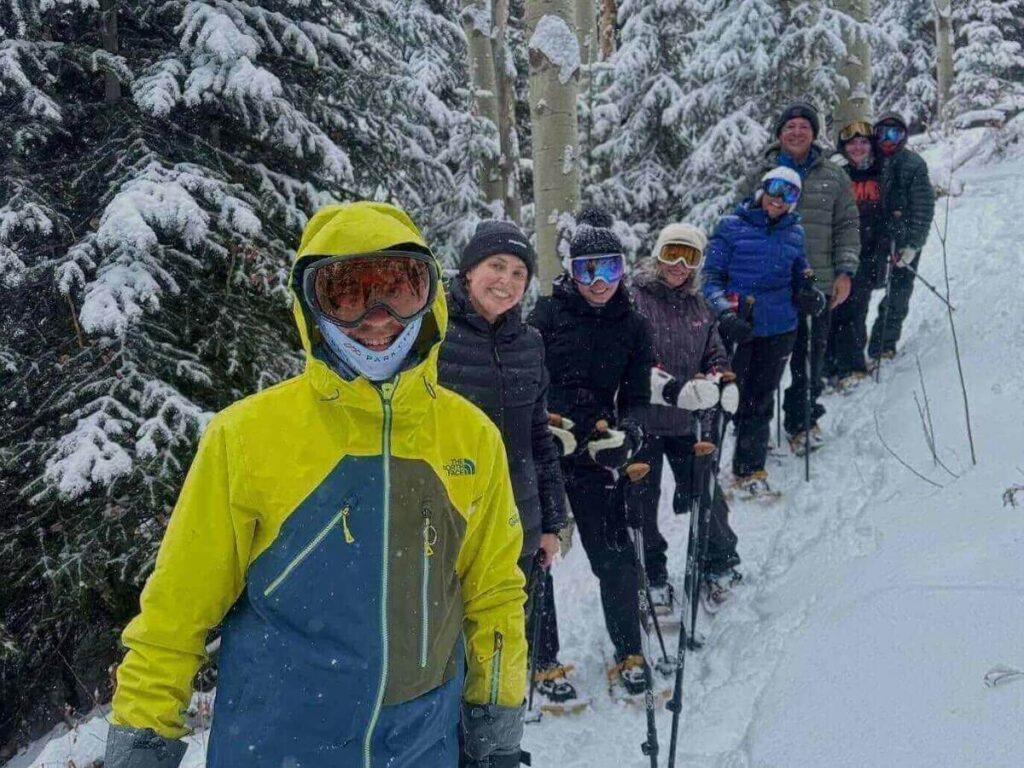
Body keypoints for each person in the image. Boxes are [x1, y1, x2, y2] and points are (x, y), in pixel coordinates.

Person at [103, 202, 528, 768]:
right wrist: (141, 742)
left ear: (430, 297)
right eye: (346, 294)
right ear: (312, 307)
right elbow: (176, 613)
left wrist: (495, 728)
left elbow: (494, 596)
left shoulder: (471, 437)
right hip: (278, 746)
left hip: (423, 747)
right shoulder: (247, 436)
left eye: (399, 290)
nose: (376, 318)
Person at [437, 221, 578, 711]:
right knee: (442, 651)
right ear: (470, 269)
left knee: (502, 649)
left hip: (517, 517)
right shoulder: (431, 332)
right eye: (496, 266)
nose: (507, 280)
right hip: (446, 517)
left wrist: (552, 522)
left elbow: (539, 438)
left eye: (519, 272)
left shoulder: (529, 343)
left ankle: (494, 745)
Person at [528, 207, 656, 696]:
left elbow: (638, 399)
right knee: (539, 554)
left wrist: (629, 435)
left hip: (598, 454)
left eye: (609, 268)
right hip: (545, 448)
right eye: (587, 269)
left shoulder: (634, 326)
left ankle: (628, 648)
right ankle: (543, 659)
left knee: (615, 555)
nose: (598, 281)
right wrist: (541, 424)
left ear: (622, 269)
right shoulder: (545, 315)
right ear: (570, 271)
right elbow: (523, 382)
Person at [630, 223, 740, 612]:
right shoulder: (635, 299)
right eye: (671, 253)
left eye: (688, 256)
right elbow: (632, 356)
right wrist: (667, 381)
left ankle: (719, 561)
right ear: (658, 255)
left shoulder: (699, 306)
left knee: (705, 493)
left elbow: (715, 352)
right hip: (643, 419)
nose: (678, 264)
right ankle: (653, 574)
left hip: (689, 421)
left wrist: (722, 378)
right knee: (642, 503)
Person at [745, 101, 860, 453]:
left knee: (809, 360)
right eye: (790, 126)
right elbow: (742, 224)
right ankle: (753, 432)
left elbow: (847, 224)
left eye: (804, 127)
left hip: (818, 284)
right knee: (762, 367)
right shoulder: (762, 172)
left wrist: (845, 272)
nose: (797, 132)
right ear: (780, 133)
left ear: (814, 133)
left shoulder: (834, 175)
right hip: (771, 288)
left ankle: (802, 420)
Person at [705, 168, 827, 497]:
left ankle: (748, 469)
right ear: (761, 190)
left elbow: (801, 272)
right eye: (775, 188)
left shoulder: (794, 233)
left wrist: (808, 294)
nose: (779, 198)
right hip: (738, 328)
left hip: (779, 328)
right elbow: (710, 279)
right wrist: (725, 314)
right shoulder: (731, 227)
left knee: (760, 397)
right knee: (724, 399)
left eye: (790, 194)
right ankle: (703, 470)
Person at [867, 112, 936, 364]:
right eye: (882, 133)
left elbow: (923, 207)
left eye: (894, 134)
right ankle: (845, 352)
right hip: (871, 237)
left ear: (904, 137)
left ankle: (883, 344)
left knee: (898, 291)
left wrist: (913, 245)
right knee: (859, 292)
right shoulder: (868, 161)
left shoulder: (913, 164)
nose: (887, 140)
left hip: (902, 237)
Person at [825, 119, 888, 386]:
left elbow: (888, 214)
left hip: (868, 253)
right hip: (833, 253)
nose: (859, 148)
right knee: (831, 310)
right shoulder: (833, 172)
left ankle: (851, 366)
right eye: (853, 143)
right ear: (844, 147)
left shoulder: (881, 172)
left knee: (856, 310)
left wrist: (885, 248)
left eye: (864, 142)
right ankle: (827, 368)